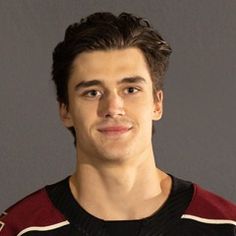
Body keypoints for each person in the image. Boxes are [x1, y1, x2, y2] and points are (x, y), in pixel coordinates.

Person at [0, 12, 235, 236]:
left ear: (156, 103)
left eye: (131, 90)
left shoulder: (225, 226)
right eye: (92, 93)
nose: (112, 108)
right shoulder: (19, 229)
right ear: (65, 110)